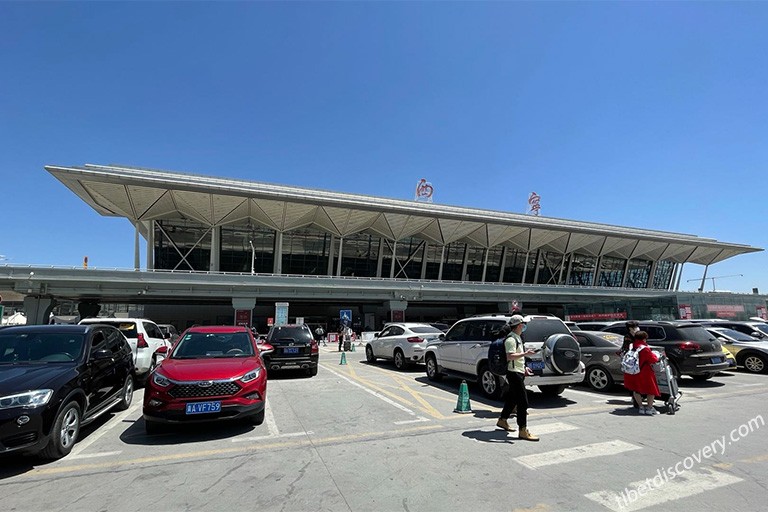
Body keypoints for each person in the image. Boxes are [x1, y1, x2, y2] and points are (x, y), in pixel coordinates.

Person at [496, 315, 540, 441]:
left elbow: (518, 357)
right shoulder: (511, 339)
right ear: (519, 325)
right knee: (523, 402)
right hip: (513, 373)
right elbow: (510, 356)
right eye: (523, 324)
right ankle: (523, 430)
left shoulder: (518, 338)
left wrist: (524, 367)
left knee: (512, 398)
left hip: (518, 371)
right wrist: (526, 353)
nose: (525, 326)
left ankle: (502, 420)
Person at [623, 330, 660, 415]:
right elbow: (653, 359)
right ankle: (650, 408)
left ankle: (641, 407)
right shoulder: (645, 348)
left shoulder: (631, 346)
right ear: (644, 339)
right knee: (651, 390)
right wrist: (656, 356)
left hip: (632, 371)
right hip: (645, 372)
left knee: (636, 390)